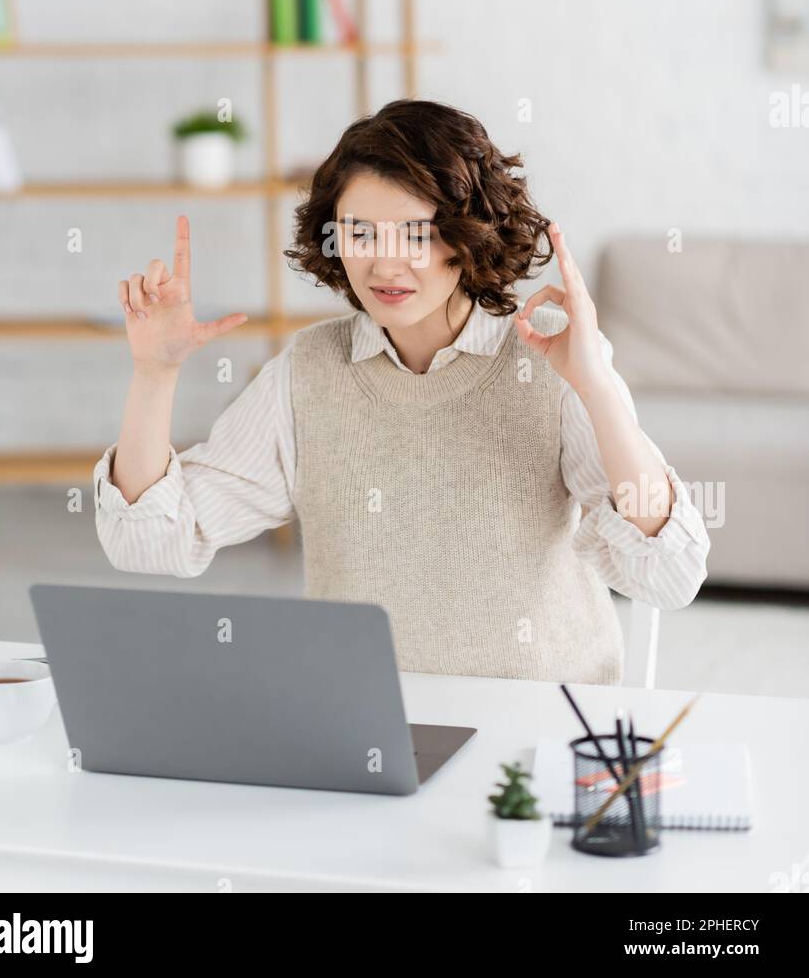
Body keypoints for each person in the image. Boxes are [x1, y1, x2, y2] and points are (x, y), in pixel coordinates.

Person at [94, 99, 709, 683]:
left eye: (416, 234)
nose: (385, 266)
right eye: (360, 234)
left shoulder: (551, 355)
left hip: (536, 718)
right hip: (364, 718)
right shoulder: (309, 370)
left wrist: (596, 387)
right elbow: (148, 542)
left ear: (467, 234)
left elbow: (669, 575)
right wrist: (155, 373)